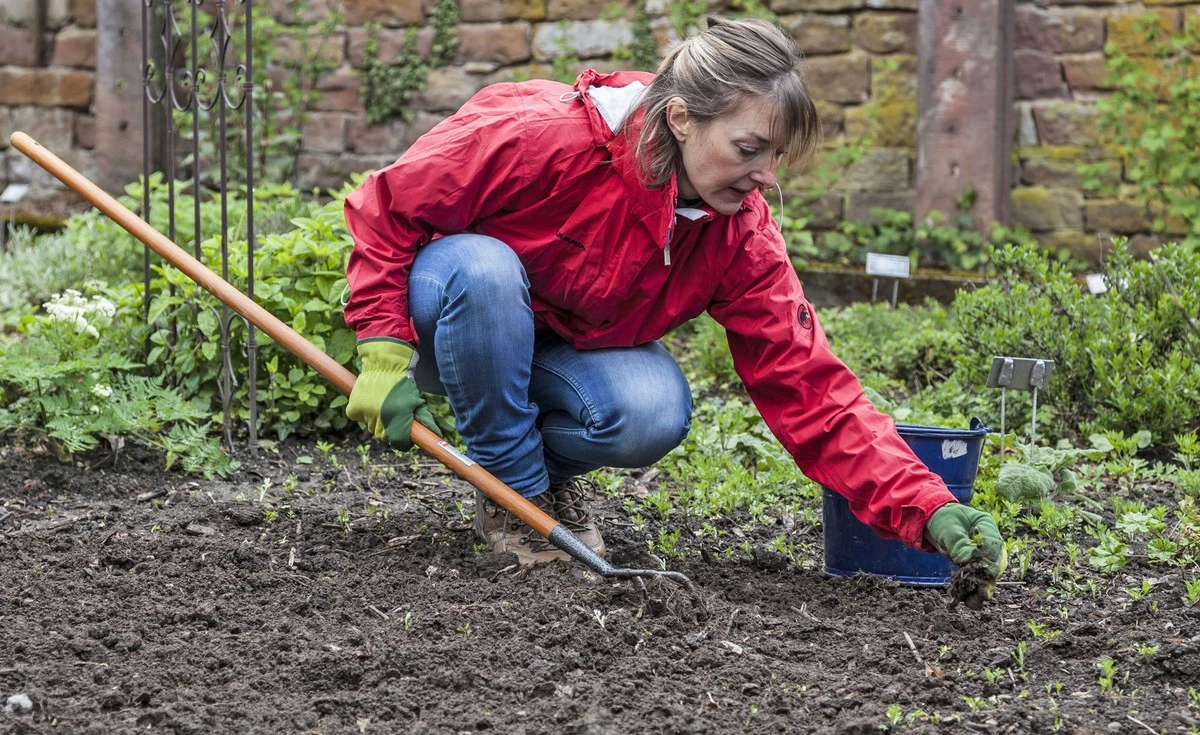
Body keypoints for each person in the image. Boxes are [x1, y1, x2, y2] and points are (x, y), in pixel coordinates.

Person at [340, 17, 1005, 594]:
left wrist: (927, 505)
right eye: (750, 148)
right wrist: (381, 348)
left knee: (652, 409)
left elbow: (810, 387)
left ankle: (524, 473)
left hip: (556, 350)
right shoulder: (543, 137)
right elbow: (387, 205)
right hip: (451, 319)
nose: (768, 176)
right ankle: (515, 496)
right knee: (484, 269)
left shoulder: (736, 232)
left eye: (776, 155)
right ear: (682, 118)